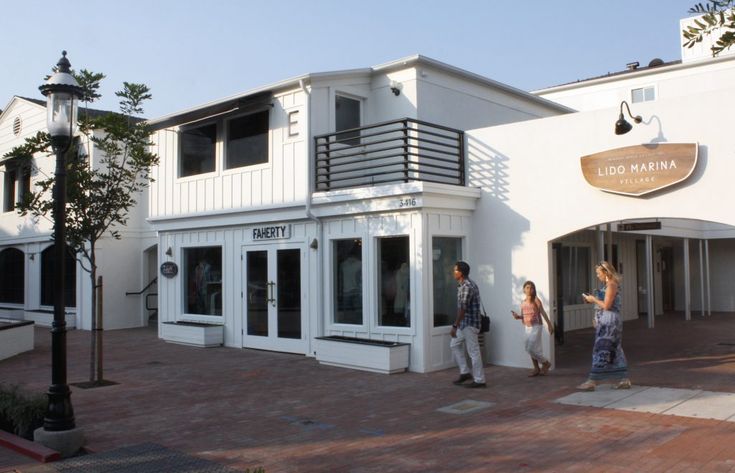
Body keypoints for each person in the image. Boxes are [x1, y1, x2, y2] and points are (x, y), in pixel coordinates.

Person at [577, 261, 632, 391]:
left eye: (598, 273)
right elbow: (603, 304)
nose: (597, 276)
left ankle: (593, 380)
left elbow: (607, 305)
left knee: (600, 348)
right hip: (606, 320)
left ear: (605, 272)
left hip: (610, 322)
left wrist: (593, 300)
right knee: (615, 349)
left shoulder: (612, 285)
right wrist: (592, 302)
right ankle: (624, 379)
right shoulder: (607, 285)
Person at [450, 261, 487, 388]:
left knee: (473, 351)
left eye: (455, 270)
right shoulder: (464, 285)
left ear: (461, 273)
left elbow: (463, 309)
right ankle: (465, 372)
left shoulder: (466, 286)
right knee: (454, 344)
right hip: (465, 323)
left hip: (469, 324)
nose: (453, 272)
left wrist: (455, 325)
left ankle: (479, 380)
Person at [511, 280, 554, 377]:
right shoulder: (523, 302)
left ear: (534, 290)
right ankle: (536, 368)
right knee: (529, 348)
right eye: (527, 288)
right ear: (524, 290)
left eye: (531, 288)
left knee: (531, 347)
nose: (529, 289)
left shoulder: (536, 300)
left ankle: (546, 363)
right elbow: (524, 315)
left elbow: (543, 312)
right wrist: (518, 317)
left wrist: (550, 325)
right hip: (527, 327)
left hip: (536, 326)